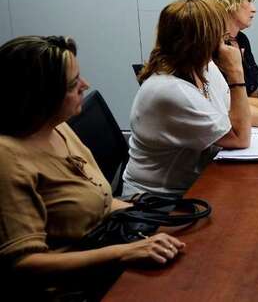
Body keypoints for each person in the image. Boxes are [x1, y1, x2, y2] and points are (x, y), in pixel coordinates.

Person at [0, 36, 185, 296]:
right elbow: (23, 264)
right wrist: (125, 252)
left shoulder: (58, 125)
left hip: (105, 247)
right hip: (74, 286)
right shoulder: (8, 158)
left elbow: (97, 198)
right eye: (73, 84)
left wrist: (153, 209)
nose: (85, 85)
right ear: (40, 95)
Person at [123, 0, 258, 197]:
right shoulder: (170, 91)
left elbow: (232, 107)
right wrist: (236, 73)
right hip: (159, 200)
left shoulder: (203, 67)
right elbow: (239, 139)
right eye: (220, 35)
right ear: (203, 42)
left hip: (199, 181)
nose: (226, 41)